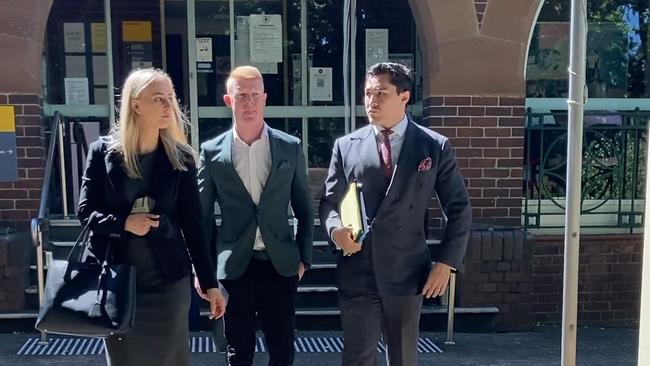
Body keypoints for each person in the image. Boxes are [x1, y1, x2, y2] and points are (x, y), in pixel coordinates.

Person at [319, 62, 472, 366]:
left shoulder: (433, 146)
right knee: (358, 358)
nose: (371, 101)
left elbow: (458, 208)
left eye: (381, 93)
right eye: (367, 94)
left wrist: (445, 263)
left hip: (407, 271)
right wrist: (336, 232)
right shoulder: (346, 146)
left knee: (402, 359)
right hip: (358, 269)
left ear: (404, 96)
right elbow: (329, 203)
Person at [77, 68, 226, 366]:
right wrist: (124, 224)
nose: (168, 106)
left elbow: (194, 227)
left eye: (170, 98)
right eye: (158, 98)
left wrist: (209, 283)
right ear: (135, 104)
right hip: (117, 281)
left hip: (168, 283)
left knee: (171, 358)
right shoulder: (102, 153)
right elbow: (85, 212)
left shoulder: (180, 158)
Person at [196, 65, 313, 366]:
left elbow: (304, 207)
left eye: (254, 95)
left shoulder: (289, 147)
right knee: (238, 351)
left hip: (281, 264)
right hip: (235, 266)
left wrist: (304, 258)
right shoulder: (211, 152)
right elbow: (202, 217)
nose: (248, 102)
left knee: (282, 350)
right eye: (241, 96)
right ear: (228, 101)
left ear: (264, 98)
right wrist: (202, 270)